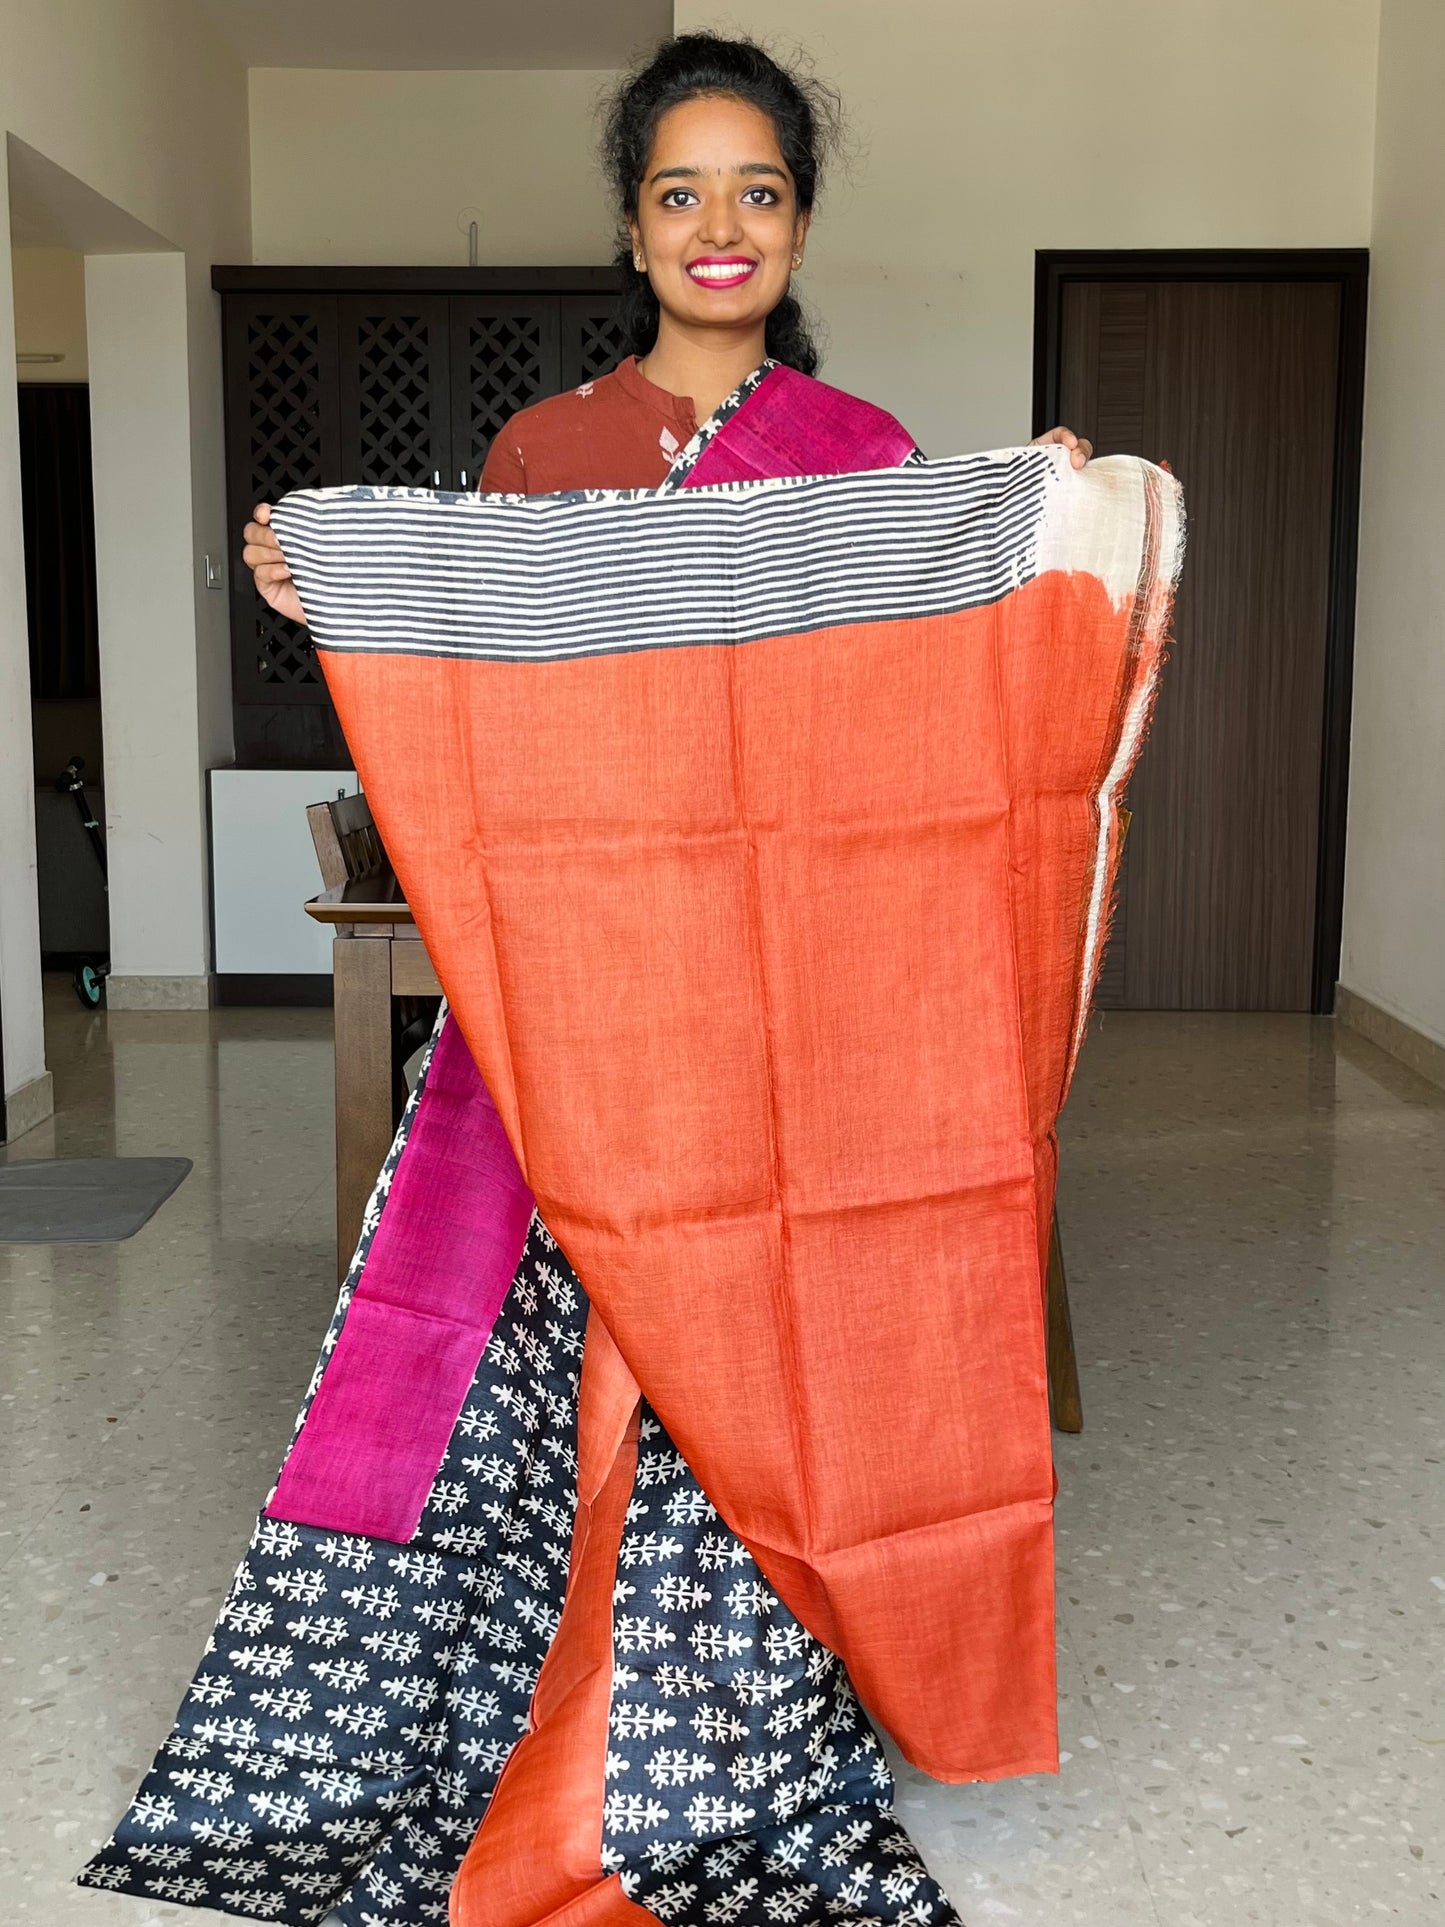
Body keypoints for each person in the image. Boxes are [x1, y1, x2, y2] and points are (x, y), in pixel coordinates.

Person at [85, 34, 1094, 1927]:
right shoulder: (543, 456)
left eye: (760, 192)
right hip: (575, 1010)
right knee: (551, 1376)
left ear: (799, 226)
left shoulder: (864, 462)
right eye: (681, 193)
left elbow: (907, 743)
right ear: (632, 229)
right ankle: (507, 1722)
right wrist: (345, 600)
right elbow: (483, 738)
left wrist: (1028, 535)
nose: (722, 229)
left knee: (753, 1377)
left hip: (783, 1019)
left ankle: (739, 1739)